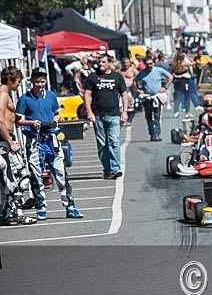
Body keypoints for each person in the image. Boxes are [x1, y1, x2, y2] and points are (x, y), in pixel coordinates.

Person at [16, 67, 83, 220]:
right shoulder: (24, 98)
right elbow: (18, 119)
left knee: (61, 174)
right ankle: (41, 207)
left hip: (51, 139)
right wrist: (31, 122)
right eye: (37, 81)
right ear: (31, 81)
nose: (40, 84)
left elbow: (57, 114)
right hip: (34, 140)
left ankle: (70, 206)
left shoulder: (51, 96)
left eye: (42, 81)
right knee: (37, 175)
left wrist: (54, 122)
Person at [0, 67, 36, 225]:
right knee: (20, 178)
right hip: (4, 143)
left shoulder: (6, 94)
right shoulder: (2, 95)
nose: (19, 84)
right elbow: (0, 120)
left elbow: (12, 119)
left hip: (7, 140)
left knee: (10, 180)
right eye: (18, 81)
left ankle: (10, 213)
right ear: (10, 80)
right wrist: (10, 142)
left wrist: (28, 122)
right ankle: (16, 213)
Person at [84, 54, 129, 179]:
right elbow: (87, 95)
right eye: (99, 62)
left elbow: (124, 94)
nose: (101, 64)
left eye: (103, 62)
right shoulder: (92, 77)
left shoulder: (117, 77)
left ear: (109, 62)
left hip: (114, 114)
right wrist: (89, 112)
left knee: (114, 141)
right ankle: (107, 169)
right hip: (98, 115)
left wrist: (125, 111)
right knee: (102, 144)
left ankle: (115, 168)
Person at [134, 56, 173, 142]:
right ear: (144, 64)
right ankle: (151, 133)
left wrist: (165, 87)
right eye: (147, 64)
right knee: (148, 116)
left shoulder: (158, 70)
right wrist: (139, 89)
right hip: (147, 97)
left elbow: (170, 76)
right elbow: (135, 80)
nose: (150, 65)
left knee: (156, 116)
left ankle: (157, 134)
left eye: (151, 63)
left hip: (157, 97)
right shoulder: (142, 73)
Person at [171, 52, 192, 118]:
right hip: (185, 81)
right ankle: (187, 112)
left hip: (177, 82)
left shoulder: (174, 65)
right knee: (186, 97)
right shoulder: (184, 64)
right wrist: (190, 59)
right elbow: (192, 64)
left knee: (177, 97)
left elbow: (171, 72)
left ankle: (176, 111)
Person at [119, 57, 138, 126]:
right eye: (124, 63)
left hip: (130, 89)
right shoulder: (120, 71)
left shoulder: (132, 70)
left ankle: (130, 120)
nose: (126, 64)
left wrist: (137, 86)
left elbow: (139, 77)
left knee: (130, 105)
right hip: (122, 90)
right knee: (121, 105)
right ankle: (123, 119)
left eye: (127, 63)